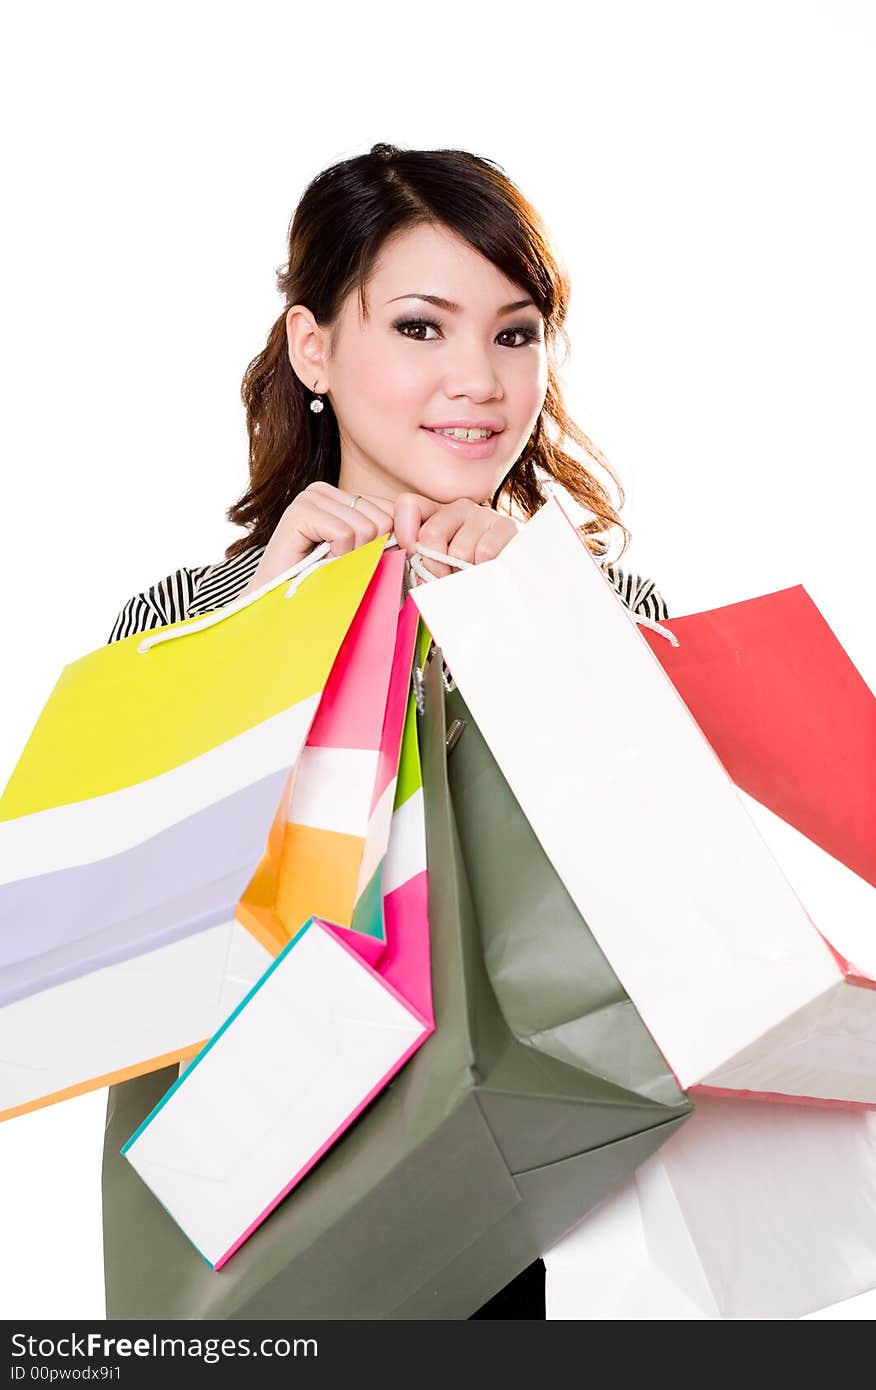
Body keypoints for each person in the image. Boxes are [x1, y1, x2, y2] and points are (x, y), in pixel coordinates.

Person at [102, 141, 669, 1321]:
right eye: (420, 327)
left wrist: (548, 633)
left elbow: (703, 926)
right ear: (314, 346)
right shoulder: (187, 620)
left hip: (552, 1210)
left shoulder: (615, 616)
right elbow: (100, 961)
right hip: (263, 1198)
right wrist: (270, 631)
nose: (478, 379)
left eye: (514, 334)